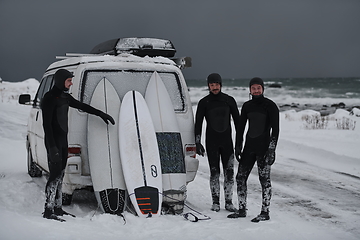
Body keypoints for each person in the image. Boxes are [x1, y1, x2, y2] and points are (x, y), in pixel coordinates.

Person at [41, 69, 115, 221]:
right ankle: (48, 210)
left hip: (63, 142)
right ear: (61, 81)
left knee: (61, 175)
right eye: (69, 80)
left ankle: (58, 207)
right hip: (53, 143)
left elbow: (83, 106)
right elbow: (47, 126)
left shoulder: (65, 97)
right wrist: (52, 147)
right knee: (54, 176)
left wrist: (101, 114)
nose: (71, 83)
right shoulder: (49, 98)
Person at [227, 77, 279, 222]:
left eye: (258, 88)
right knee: (240, 178)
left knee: (265, 180)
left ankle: (265, 212)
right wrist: (238, 146)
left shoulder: (270, 106)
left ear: (263, 89)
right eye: (253, 88)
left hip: (264, 149)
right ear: (250, 90)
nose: (256, 90)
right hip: (249, 148)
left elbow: (275, 130)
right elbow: (241, 128)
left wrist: (271, 149)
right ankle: (242, 209)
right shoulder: (247, 106)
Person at [194, 73, 241, 212]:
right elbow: (198, 124)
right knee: (214, 172)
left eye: (217, 84)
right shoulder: (204, 102)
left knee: (229, 173)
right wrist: (197, 142)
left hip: (227, 142)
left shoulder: (229, 100)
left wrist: (239, 144)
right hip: (211, 142)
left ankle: (228, 202)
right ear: (208, 86)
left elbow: (239, 124)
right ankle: (215, 202)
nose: (214, 87)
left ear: (221, 84)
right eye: (212, 85)